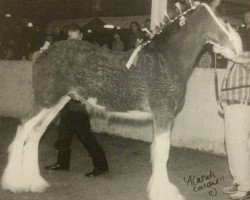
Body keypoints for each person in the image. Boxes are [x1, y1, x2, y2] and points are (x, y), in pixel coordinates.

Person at [45, 24, 109, 177]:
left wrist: (80, 92)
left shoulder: (90, 52)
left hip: (80, 100)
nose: (74, 41)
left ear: (81, 36)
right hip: (67, 99)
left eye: (76, 37)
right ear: (68, 38)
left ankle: (101, 165)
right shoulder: (67, 53)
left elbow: (93, 76)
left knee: (85, 135)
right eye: (71, 39)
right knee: (63, 133)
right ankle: (62, 163)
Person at [213, 11, 250, 200]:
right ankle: (238, 180)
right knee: (233, 144)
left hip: (242, 103)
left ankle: (245, 186)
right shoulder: (236, 57)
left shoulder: (243, 57)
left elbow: (246, 60)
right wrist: (222, 101)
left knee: (239, 144)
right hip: (232, 104)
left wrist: (230, 54)